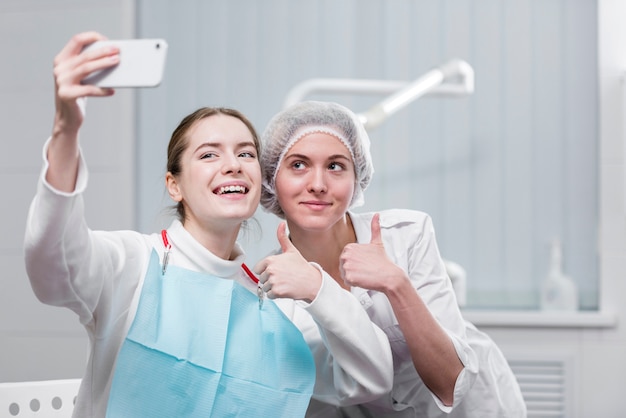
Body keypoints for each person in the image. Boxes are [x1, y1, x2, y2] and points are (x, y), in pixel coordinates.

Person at [23, 32, 393, 417]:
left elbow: (370, 379)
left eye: (245, 153)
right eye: (209, 154)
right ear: (175, 184)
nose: (232, 164)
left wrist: (320, 288)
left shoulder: (279, 300)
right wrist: (66, 128)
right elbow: (52, 265)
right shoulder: (131, 264)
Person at [254, 100, 528, 417]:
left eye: (335, 166)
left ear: (357, 178)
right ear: (273, 179)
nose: (317, 184)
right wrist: (318, 289)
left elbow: (450, 384)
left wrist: (396, 283)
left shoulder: (406, 234)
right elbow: (340, 387)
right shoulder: (274, 291)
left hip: (472, 408)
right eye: (298, 165)